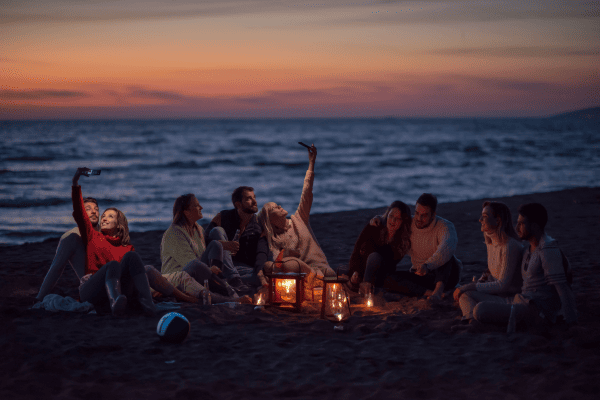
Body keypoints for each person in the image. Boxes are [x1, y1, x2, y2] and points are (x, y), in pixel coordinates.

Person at [470, 203, 577, 329]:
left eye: (522, 223)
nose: (517, 227)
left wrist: (571, 322)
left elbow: (563, 289)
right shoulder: (528, 249)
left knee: (480, 309)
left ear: (535, 226)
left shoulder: (547, 250)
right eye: (517, 222)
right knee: (471, 295)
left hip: (536, 310)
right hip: (520, 301)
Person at [71, 167, 157, 317]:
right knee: (113, 265)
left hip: (123, 291)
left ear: (119, 224)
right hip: (92, 290)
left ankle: (147, 303)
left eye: (110, 216)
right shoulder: (93, 235)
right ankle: (114, 302)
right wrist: (76, 181)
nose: (104, 218)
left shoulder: (128, 248)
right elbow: (79, 212)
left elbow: (133, 278)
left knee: (132, 257)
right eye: (103, 215)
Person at [257, 144, 335, 299]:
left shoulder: (299, 218)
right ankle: (316, 282)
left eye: (277, 204)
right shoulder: (274, 239)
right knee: (288, 263)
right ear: (271, 220)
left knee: (296, 264)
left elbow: (307, 191)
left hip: (322, 268)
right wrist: (283, 255)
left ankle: (320, 280)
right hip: (302, 272)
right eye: (274, 208)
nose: (279, 205)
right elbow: (277, 263)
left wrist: (311, 163)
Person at [158, 193, 251, 304]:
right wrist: (209, 269)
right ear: (186, 212)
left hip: (198, 271)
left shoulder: (198, 229)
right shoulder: (174, 233)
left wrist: (223, 248)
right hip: (179, 277)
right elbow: (189, 263)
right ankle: (228, 293)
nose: (201, 207)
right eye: (197, 206)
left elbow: (207, 248)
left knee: (216, 245)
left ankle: (220, 286)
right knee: (196, 265)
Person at [373, 193, 462, 301]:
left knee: (446, 256)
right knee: (388, 279)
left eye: (424, 215)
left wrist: (428, 265)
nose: (419, 218)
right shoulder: (409, 223)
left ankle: (438, 292)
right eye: (417, 213)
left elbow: (446, 248)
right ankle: (429, 293)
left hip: (447, 276)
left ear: (433, 215)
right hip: (422, 276)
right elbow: (393, 218)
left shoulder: (445, 226)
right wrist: (379, 219)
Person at [453, 201, 523, 320]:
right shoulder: (491, 241)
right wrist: (479, 282)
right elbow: (490, 270)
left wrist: (470, 286)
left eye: (485, 217)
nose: (480, 219)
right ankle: (470, 318)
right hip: (497, 294)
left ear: (498, 220)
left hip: (510, 298)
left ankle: (472, 318)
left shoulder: (510, 246)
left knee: (473, 300)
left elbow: (502, 285)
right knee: (464, 296)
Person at [36, 196, 100, 301]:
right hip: (95, 286)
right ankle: (39, 297)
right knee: (70, 239)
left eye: (96, 209)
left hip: (114, 280)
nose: (93, 212)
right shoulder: (73, 238)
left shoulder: (107, 232)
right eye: (88, 209)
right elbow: (56, 268)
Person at [205, 186, 269, 290]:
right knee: (217, 231)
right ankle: (231, 278)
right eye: (249, 198)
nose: (255, 202)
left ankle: (227, 279)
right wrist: (221, 244)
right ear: (238, 204)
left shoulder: (259, 225)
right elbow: (203, 241)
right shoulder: (222, 216)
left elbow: (261, 253)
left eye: (254, 197)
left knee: (262, 278)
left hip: (241, 268)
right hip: (218, 264)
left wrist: (260, 273)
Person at [346, 200, 412, 294]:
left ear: (403, 221)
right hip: (361, 269)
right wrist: (356, 271)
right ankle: (358, 282)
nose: (393, 221)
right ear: (387, 215)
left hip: (380, 276)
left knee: (375, 257)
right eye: (391, 216)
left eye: (398, 218)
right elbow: (356, 251)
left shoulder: (402, 242)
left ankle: (366, 285)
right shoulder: (374, 227)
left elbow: (388, 263)